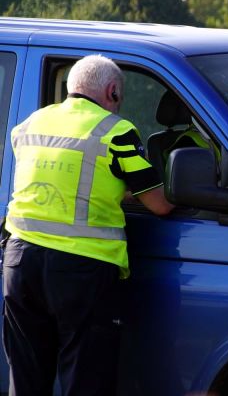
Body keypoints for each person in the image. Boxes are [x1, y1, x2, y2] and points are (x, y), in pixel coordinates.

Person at [2, 54, 174, 396]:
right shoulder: (118, 132)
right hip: (81, 269)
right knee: (86, 381)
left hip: (19, 261)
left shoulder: (31, 123)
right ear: (112, 91)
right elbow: (159, 205)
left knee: (27, 379)